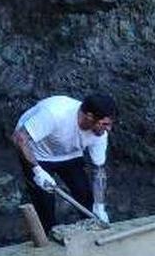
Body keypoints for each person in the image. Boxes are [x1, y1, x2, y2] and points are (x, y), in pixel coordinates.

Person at [11, 94, 116, 230]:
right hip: (37, 153)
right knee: (44, 201)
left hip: (69, 152)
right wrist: (37, 170)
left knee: (84, 194)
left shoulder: (100, 134)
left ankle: (93, 227)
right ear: (89, 117)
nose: (108, 129)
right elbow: (19, 138)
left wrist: (100, 206)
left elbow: (98, 170)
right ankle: (49, 235)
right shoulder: (55, 114)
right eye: (105, 124)